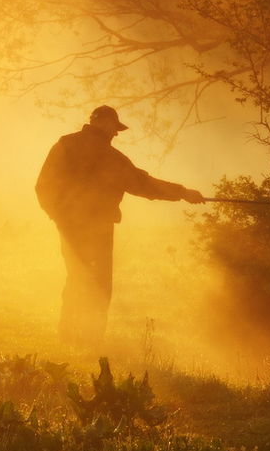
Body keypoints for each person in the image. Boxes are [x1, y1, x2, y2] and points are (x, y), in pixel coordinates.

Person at [36, 105, 206, 344]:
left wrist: (58, 217)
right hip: (98, 228)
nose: (115, 133)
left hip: (69, 227)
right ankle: (90, 340)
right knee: (99, 284)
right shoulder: (111, 158)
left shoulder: (65, 145)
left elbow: (43, 185)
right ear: (102, 124)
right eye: (114, 128)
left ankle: (68, 338)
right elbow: (143, 184)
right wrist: (182, 192)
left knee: (76, 277)